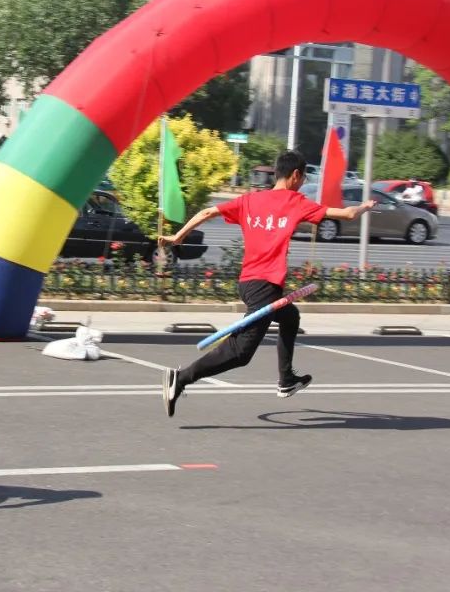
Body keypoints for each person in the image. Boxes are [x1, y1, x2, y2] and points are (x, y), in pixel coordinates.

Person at [157, 149, 375, 417]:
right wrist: (364, 207)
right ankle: (180, 379)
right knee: (240, 353)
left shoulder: (250, 199)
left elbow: (206, 212)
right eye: (303, 178)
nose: (303, 183)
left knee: (290, 317)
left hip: (249, 283)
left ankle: (286, 379)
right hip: (264, 288)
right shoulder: (296, 202)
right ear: (295, 175)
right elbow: (348, 214)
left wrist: (178, 237)